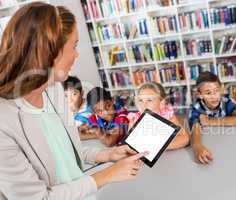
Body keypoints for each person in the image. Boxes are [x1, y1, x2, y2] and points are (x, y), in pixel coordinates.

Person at [0, 3, 147, 199]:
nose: (76, 55)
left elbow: (66, 152)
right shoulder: (4, 123)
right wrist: (108, 174)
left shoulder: (53, 90)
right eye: (74, 46)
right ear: (48, 53)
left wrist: (107, 155)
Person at [189, 72, 236, 164]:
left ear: (221, 89)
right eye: (208, 93)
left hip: (230, 143)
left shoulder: (227, 102)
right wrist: (197, 146)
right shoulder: (196, 108)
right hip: (213, 144)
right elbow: (195, 128)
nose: (214, 96)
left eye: (216, 91)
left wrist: (210, 122)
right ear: (200, 94)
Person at [127, 82, 190, 150]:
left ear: (161, 103)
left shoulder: (168, 117)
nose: (144, 104)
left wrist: (158, 146)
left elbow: (185, 138)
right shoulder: (134, 120)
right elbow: (131, 145)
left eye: (149, 100)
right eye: (140, 100)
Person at [62, 75, 96, 140]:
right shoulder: (67, 109)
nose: (70, 100)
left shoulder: (88, 110)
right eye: (66, 96)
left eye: (74, 94)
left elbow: (73, 134)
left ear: (82, 93)